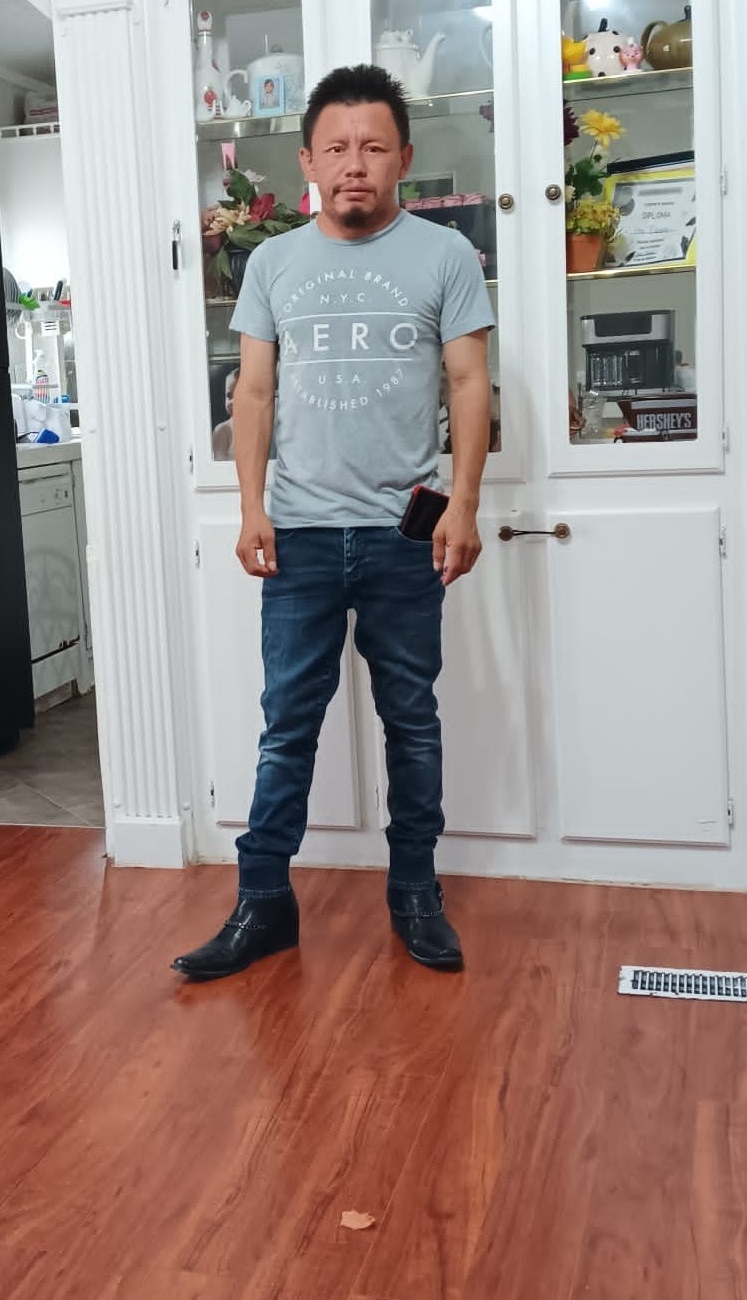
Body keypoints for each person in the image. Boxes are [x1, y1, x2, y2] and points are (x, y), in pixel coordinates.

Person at [172, 63, 495, 982]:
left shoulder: (445, 256)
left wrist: (464, 504)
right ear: (308, 161)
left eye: (374, 147)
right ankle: (262, 903)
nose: (355, 164)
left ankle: (415, 894)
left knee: (413, 723)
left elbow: (469, 382)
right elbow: (254, 392)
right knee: (287, 727)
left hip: (405, 532)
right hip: (301, 535)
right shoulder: (273, 262)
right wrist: (250, 507)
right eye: (337, 148)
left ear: (404, 159)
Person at [211, 366, 240, 461]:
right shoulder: (223, 431)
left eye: (238, 395)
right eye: (229, 396)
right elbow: (219, 465)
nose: (232, 401)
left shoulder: (258, 427)